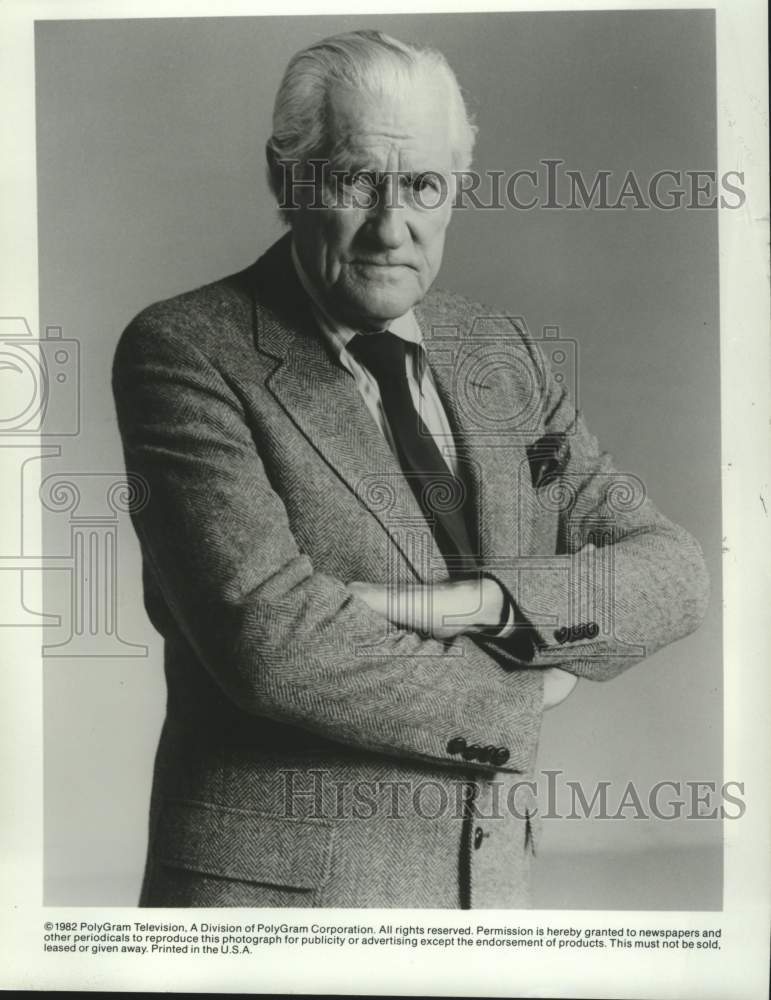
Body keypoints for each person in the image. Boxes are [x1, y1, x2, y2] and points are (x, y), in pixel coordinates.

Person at [112, 29, 709, 908]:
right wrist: (528, 690)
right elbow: (273, 646)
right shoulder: (185, 351)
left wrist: (475, 604)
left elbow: (674, 571)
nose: (392, 229)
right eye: (357, 181)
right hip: (281, 908)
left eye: (424, 186)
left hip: (488, 886)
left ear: (456, 192)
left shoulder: (500, 354)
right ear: (287, 181)